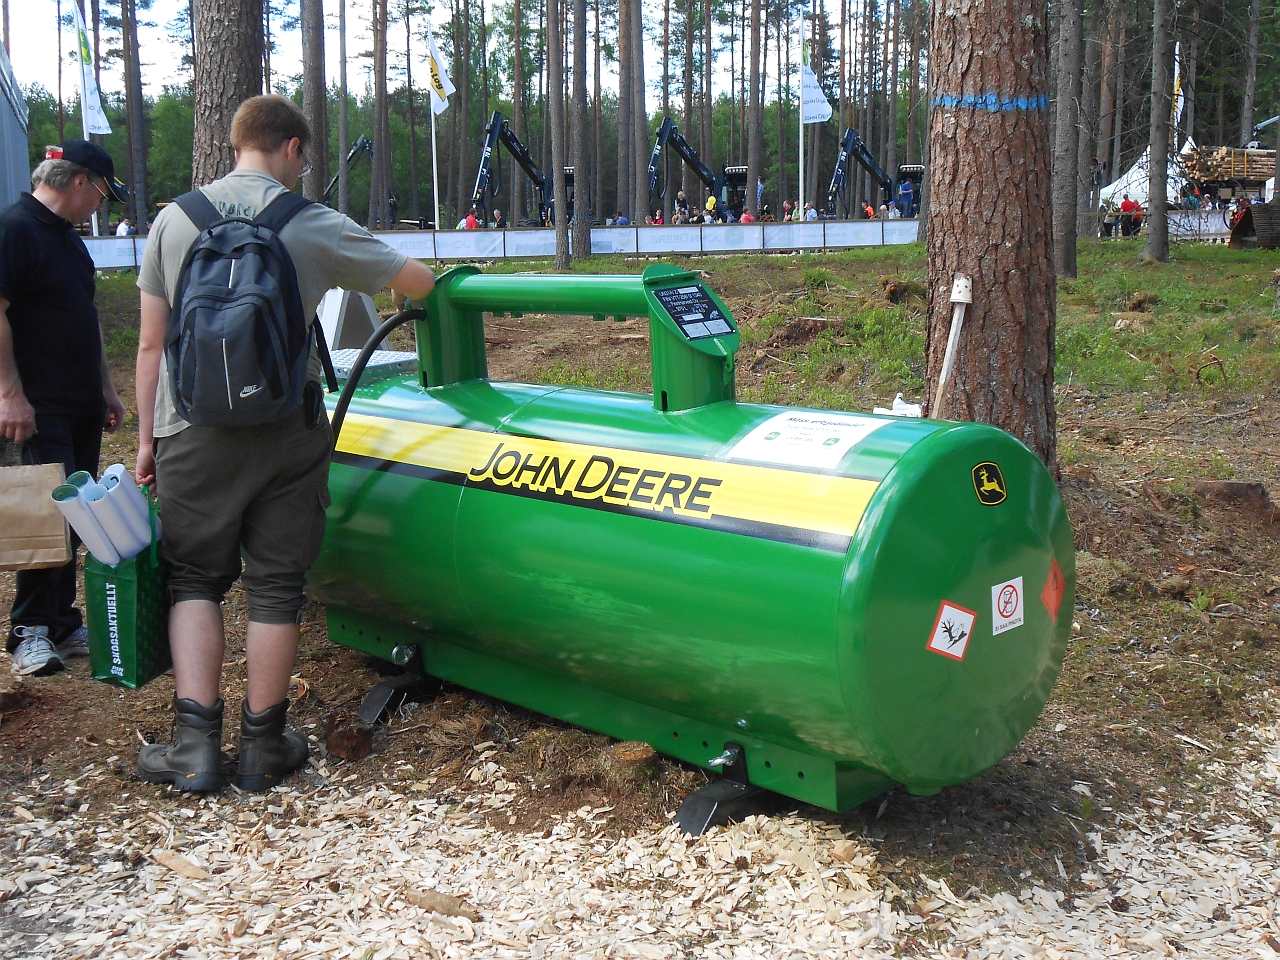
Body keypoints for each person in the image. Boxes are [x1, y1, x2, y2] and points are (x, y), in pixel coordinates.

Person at [132, 95, 436, 792]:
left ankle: (194, 748)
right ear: (292, 148)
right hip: (285, 430)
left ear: (236, 143)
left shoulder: (175, 219)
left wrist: (148, 441)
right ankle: (263, 746)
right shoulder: (311, 223)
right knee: (275, 586)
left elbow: (151, 344)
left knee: (194, 580)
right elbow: (417, 280)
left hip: (190, 428)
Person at [1, 141, 129, 676]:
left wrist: (106, 387)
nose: (100, 205)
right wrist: (10, 393)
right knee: (45, 511)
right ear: (79, 182)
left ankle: (60, 618)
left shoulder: (69, 241)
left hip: (80, 401)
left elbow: (85, 317)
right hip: (38, 402)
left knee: (77, 514)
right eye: (101, 194)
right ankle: (28, 628)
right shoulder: (14, 229)